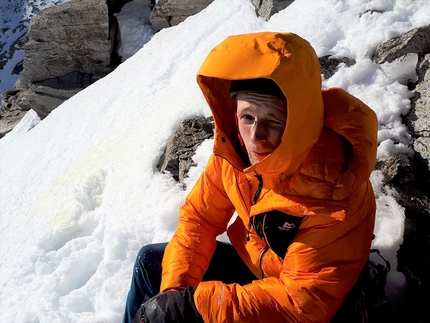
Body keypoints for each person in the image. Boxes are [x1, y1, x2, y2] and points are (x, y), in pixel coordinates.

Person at [123, 32, 378, 323]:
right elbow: (199, 219)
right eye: (247, 117)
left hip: (313, 306)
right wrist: (174, 294)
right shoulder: (236, 157)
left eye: (273, 121)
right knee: (151, 265)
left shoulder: (333, 185)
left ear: (300, 123)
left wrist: (193, 307)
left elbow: (299, 305)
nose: (255, 137)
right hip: (262, 272)